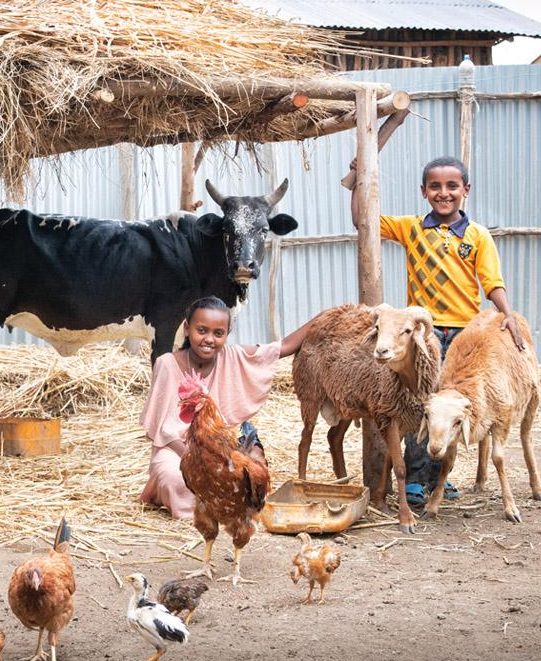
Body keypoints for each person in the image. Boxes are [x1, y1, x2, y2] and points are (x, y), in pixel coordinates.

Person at [349, 154, 524, 507]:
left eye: (452, 186)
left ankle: (439, 476)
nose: (444, 193)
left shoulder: (477, 236)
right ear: (424, 191)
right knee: (420, 405)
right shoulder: (412, 228)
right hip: (423, 337)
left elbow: (491, 282)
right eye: (435, 187)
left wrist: (508, 317)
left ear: (466, 190)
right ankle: (414, 478)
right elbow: (363, 221)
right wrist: (356, 180)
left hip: (463, 336)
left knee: (450, 408)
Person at [139, 296, 316, 520]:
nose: (209, 339)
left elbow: (284, 347)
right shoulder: (166, 363)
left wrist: (323, 317)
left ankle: (230, 506)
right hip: (178, 450)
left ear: (227, 334)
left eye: (218, 333)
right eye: (201, 330)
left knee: (251, 474)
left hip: (223, 446)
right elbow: (164, 429)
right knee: (175, 480)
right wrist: (201, 463)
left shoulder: (233, 356)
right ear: (186, 328)